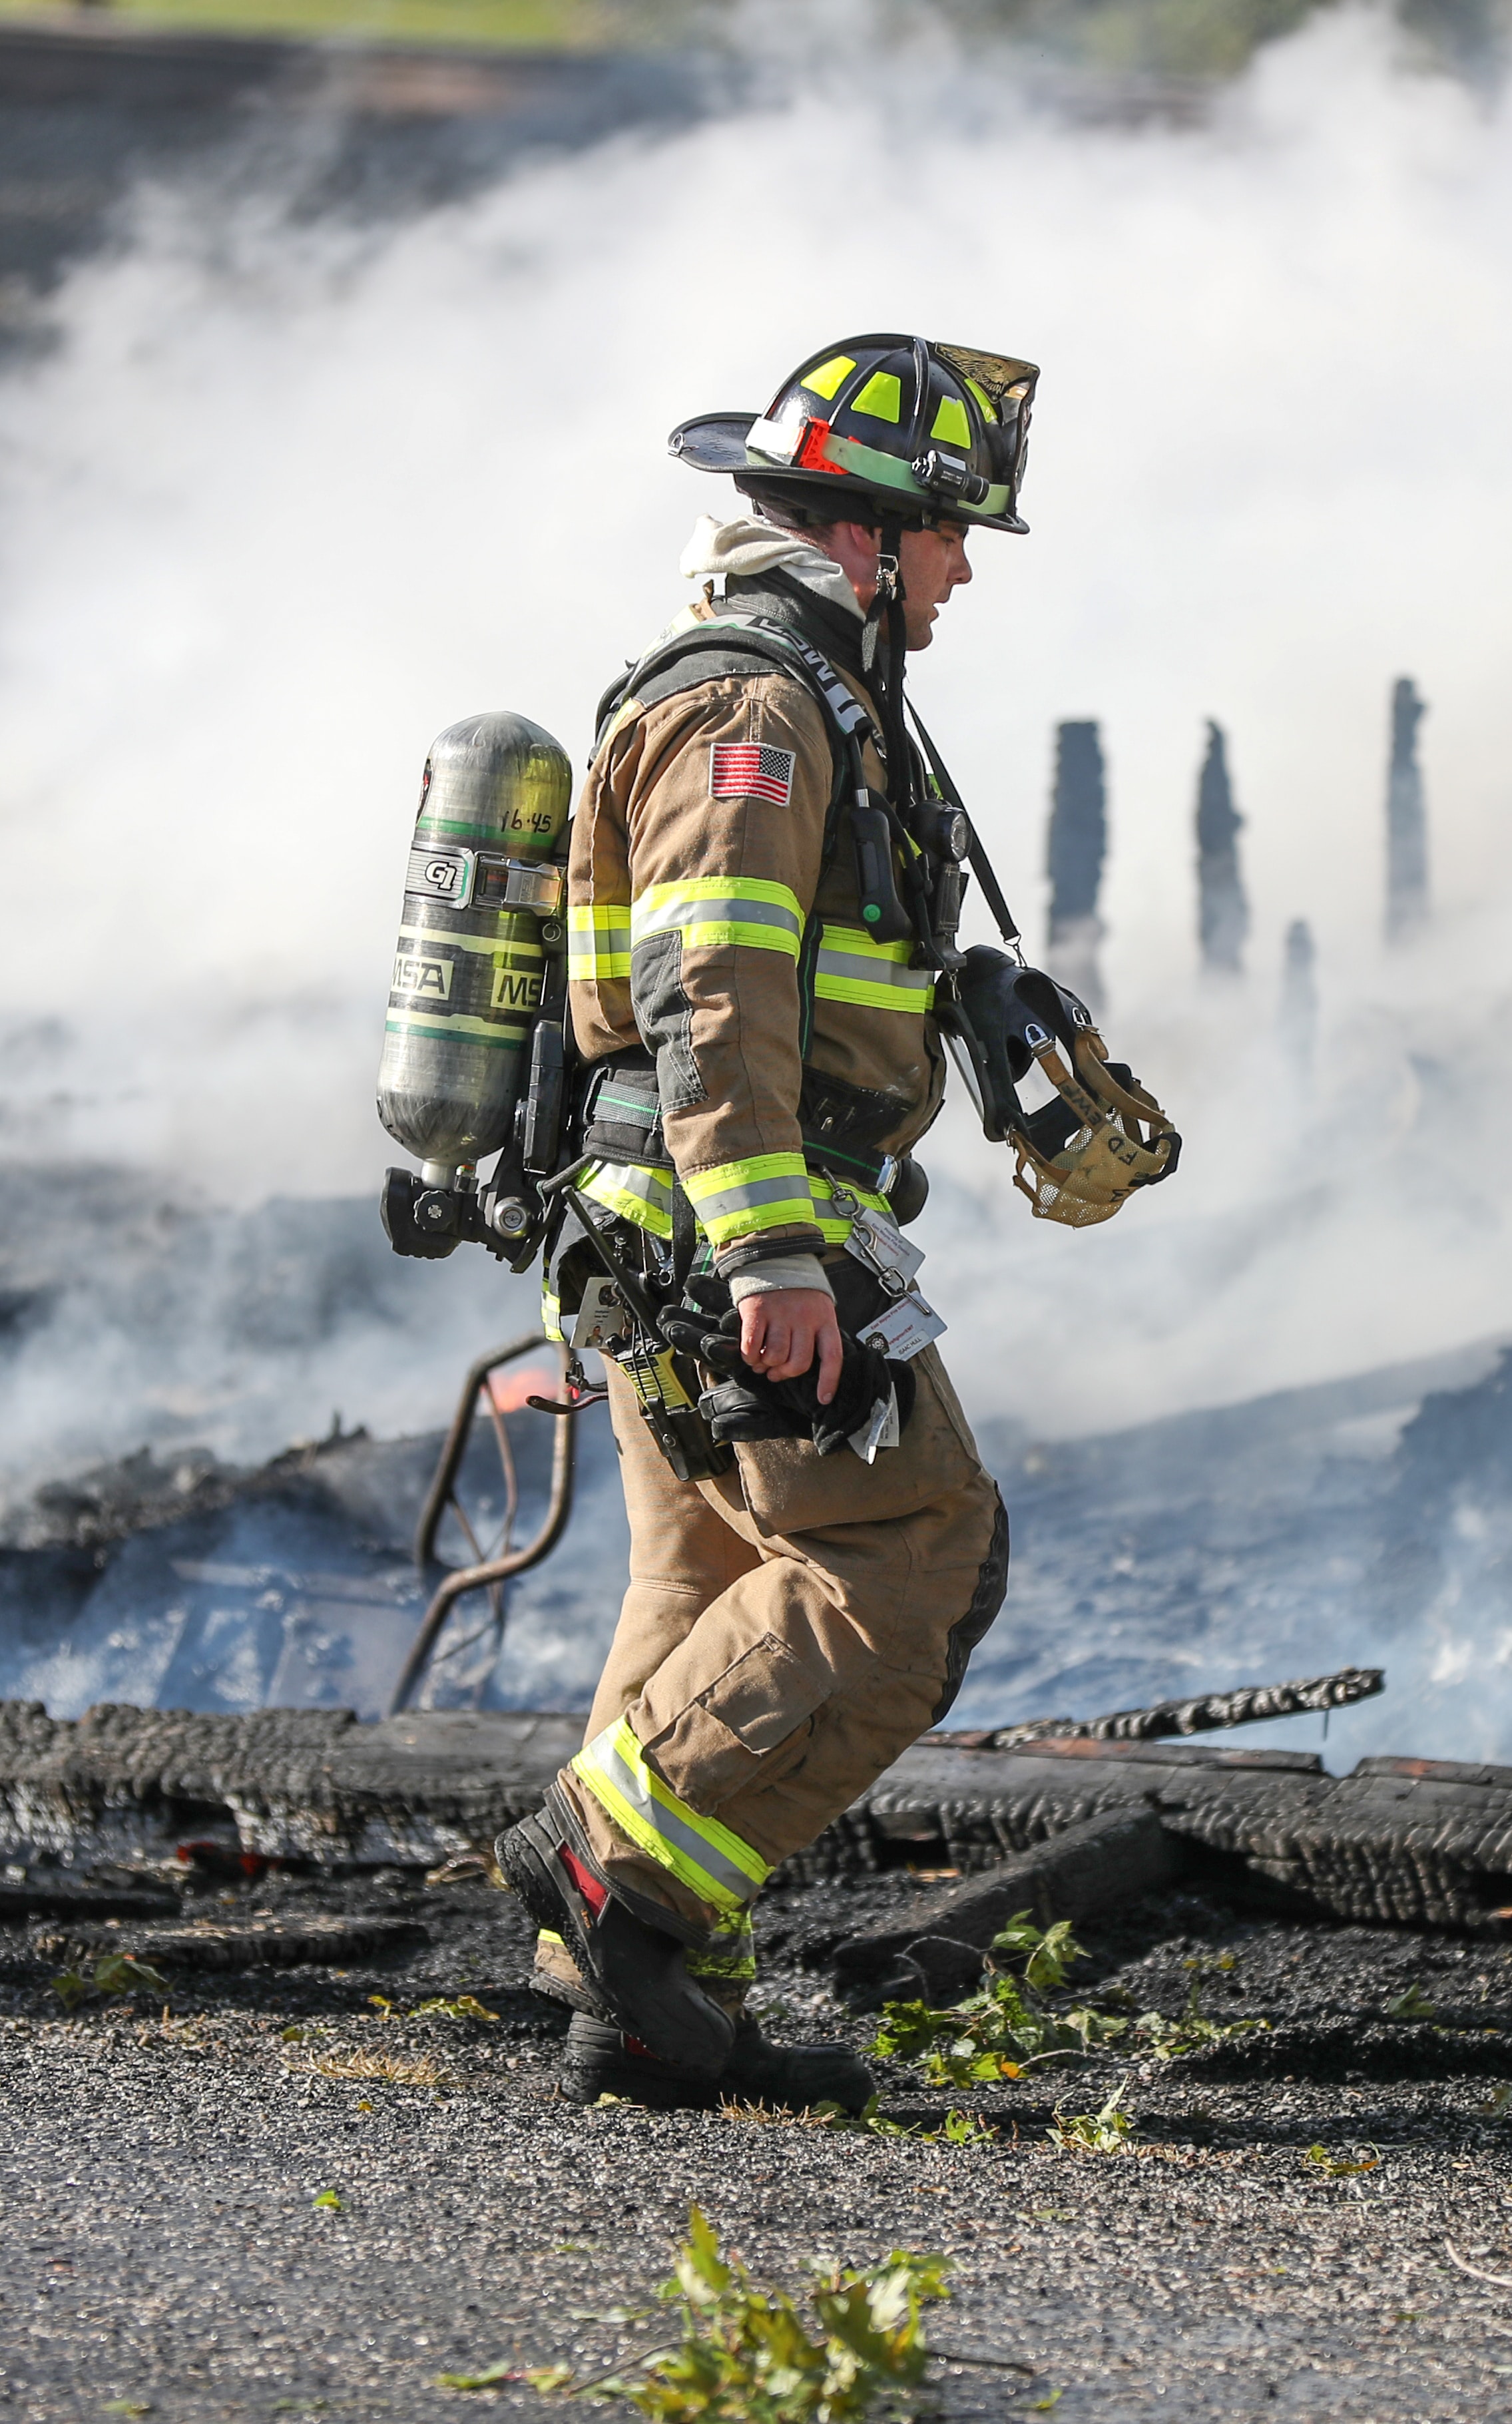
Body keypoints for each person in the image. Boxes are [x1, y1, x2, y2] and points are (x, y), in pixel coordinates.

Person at [494, 336, 1037, 2110]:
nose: (963, 573)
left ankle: (633, 2006)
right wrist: (774, 1261)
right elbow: (713, 983)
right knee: (917, 1556)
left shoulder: (804, 685)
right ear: (865, 536)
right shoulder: (758, 706)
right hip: (737, 1230)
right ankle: (606, 1860)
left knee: (713, 1575)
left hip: (678, 1229)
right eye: (951, 536)